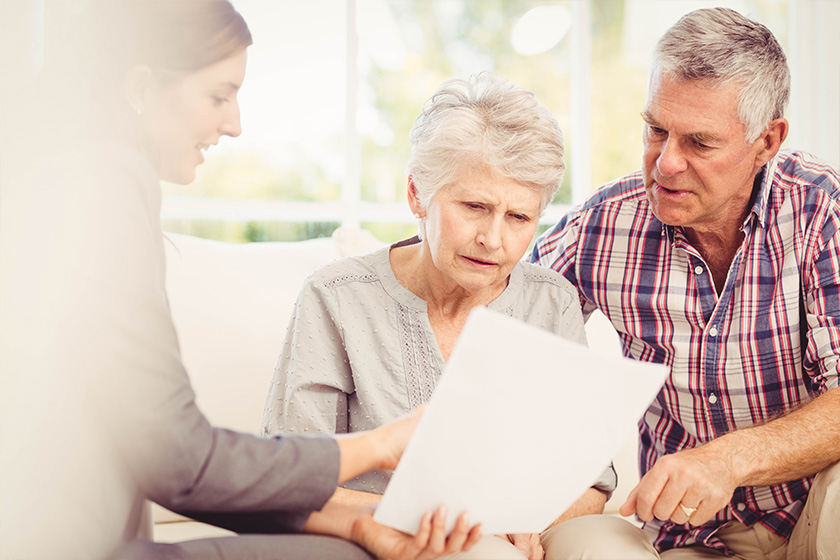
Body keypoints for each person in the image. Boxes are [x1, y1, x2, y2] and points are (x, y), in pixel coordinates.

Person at [0, 2, 482, 559]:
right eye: (218, 95)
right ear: (140, 88)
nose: (234, 123)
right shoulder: (104, 185)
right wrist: (379, 445)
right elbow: (183, 460)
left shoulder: (64, 176)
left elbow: (162, 458)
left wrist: (351, 523)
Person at [262, 72, 618, 560]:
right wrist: (464, 530)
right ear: (416, 195)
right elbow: (291, 481)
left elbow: (591, 482)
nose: (493, 240)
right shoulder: (336, 297)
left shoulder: (550, 301)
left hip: (523, 531)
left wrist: (524, 522)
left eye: (519, 217)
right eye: (475, 206)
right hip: (381, 534)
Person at [531, 7, 840, 559]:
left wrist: (727, 460)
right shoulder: (604, 225)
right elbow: (499, 328)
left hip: (815, 508)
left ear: (767, 142)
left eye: (699, 142)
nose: (665, 164)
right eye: (655, 130)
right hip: (691, 535)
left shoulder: (821, 211)